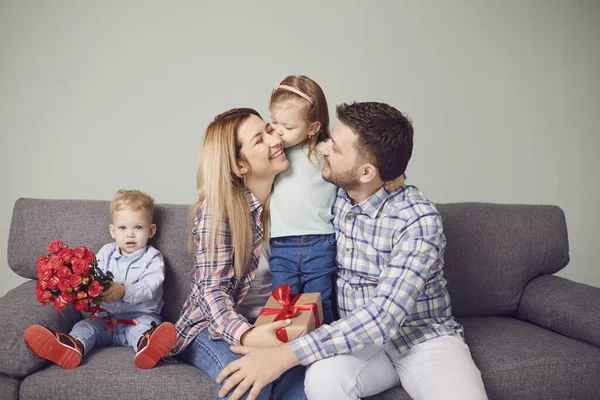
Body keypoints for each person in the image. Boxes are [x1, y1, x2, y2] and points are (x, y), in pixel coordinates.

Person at [216, 102, 488, 400]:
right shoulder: (338, 196)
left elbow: (382, 317)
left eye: (335, 147)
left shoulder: (418, 220)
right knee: (322, 380)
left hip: (422, 339)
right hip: (356, 345)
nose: (323, 150)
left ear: (367, 172)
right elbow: (264, 165)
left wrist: (284, 355)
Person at [169, 108, 306, 400]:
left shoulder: (293, 196)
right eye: (259, 140)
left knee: (304, 389)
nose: (275, 139)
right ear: (240, 164)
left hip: (267, 326)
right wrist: (247, 335)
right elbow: (211, 291)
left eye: (269, 130)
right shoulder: (217, 212)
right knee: (248, 380)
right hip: (210, 327)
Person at [24, 189, 176, 370]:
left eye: (138, 227)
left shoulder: (153, 258)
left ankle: (147, 348)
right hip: (105, 321)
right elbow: (91, 275)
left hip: (139, 318)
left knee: (145, 329)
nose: (130, 234)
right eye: (123, 228)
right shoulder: (106, 253)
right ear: (113, 231)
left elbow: (150, 287)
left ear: (151, 231)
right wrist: (77, 283)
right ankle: (72, 346)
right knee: (84, 327)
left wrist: (123, 290)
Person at [268, 75, 337, 324]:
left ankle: (326, 352)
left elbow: (364, 161)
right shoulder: (273, 153)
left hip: (319, 242)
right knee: (282, 303)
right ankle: (285, 350)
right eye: (274, 122)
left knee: (320, 302)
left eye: (288, 127)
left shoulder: (326, 151)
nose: (278, 131)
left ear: (313, 127)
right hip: (281, 244)